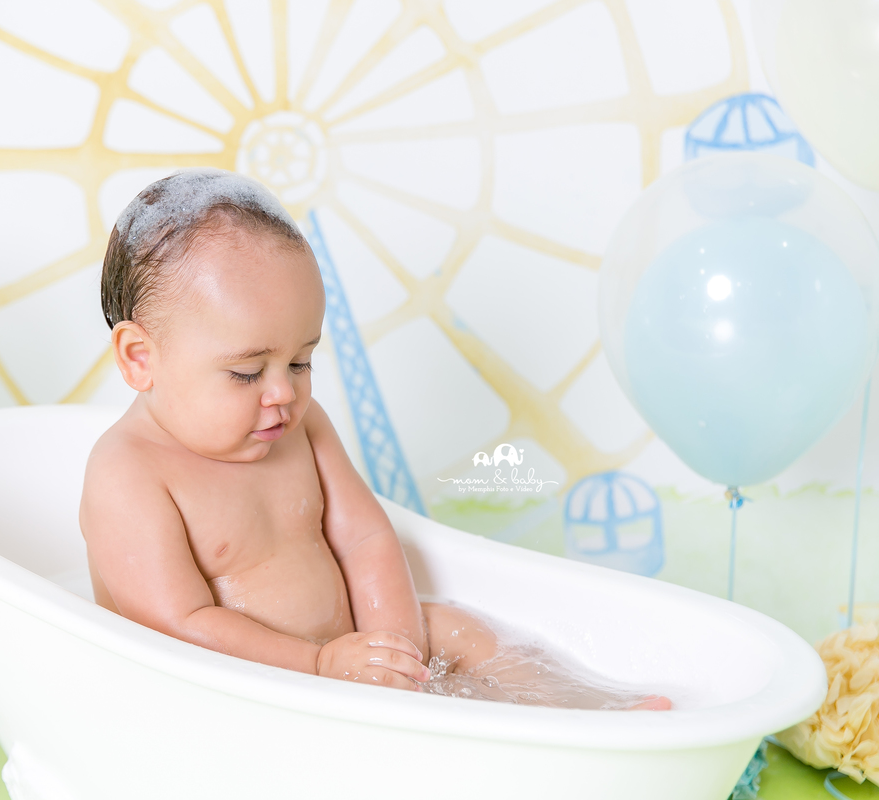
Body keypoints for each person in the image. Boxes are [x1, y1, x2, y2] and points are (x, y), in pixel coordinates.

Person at [79, 169, 669, 710]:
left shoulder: (299, 428)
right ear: (139, 358)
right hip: (238, 692)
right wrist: (317, 665)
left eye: (301, 361)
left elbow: (364, 538)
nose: (282, 392)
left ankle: (596, 715)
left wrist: (396, 654)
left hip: (345, 656)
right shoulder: (130, 474)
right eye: (246, 372)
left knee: (458, 628)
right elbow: (178, 626)